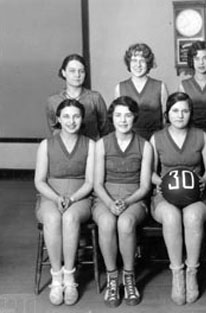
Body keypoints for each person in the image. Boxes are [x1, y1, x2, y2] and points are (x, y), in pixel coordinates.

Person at [150, 92, 206, 305]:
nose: (180, 115)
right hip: (165, 196)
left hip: (195, 195)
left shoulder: (201, 136)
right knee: (171, 216)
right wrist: (161, 183)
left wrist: (203, 180)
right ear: (168, 113)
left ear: (190, 113)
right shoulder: (157, 137)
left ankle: (192, 272)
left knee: (193, 217)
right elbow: (149, 172)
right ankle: (177, 273)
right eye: (175, 111)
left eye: (185, 110)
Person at [93, 96, 153, 307]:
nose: (123, 120)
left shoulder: (145, 146)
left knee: (125, 223)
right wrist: (109, 203)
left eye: (128, 115)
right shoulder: (101, 144)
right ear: (112, 117)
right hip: (105, 197)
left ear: (134, 117)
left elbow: (145, 186)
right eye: (118, 115)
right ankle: (112, 277)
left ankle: (128, 276)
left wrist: (127, 202)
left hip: (134, 198)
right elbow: (97, 183)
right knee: (108, 222)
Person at [34, 99, 95, 306]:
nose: (71, 121)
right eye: (66, 116)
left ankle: (70, 277)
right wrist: (56, 197)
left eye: (76, 116)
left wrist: (72, 198)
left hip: (79, 196)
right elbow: (39, 181)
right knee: (51, 218)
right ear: (58, 119)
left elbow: (89, 182)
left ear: (82, 119)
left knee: (70, 217)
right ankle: (56, 276)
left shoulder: (91, 144)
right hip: (51, 196)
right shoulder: (46, 145)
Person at [46, 53, 111, 140]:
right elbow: (54, 130)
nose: (77, 75)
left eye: (81, 71)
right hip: (65, 150)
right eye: (72, 71)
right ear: (63, 72)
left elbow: (105, 129)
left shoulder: (95, 98)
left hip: (92, 150)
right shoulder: (53, 101)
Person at [115, 43, 168, 140]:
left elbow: (167, 119)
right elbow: (117, 120)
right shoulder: (120, 87)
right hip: (129, 140)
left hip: (155, 139)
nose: (138, 65)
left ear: (148, 63)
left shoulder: (160, 86)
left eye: (142, 61)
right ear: (129, 63)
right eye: (134, 60)